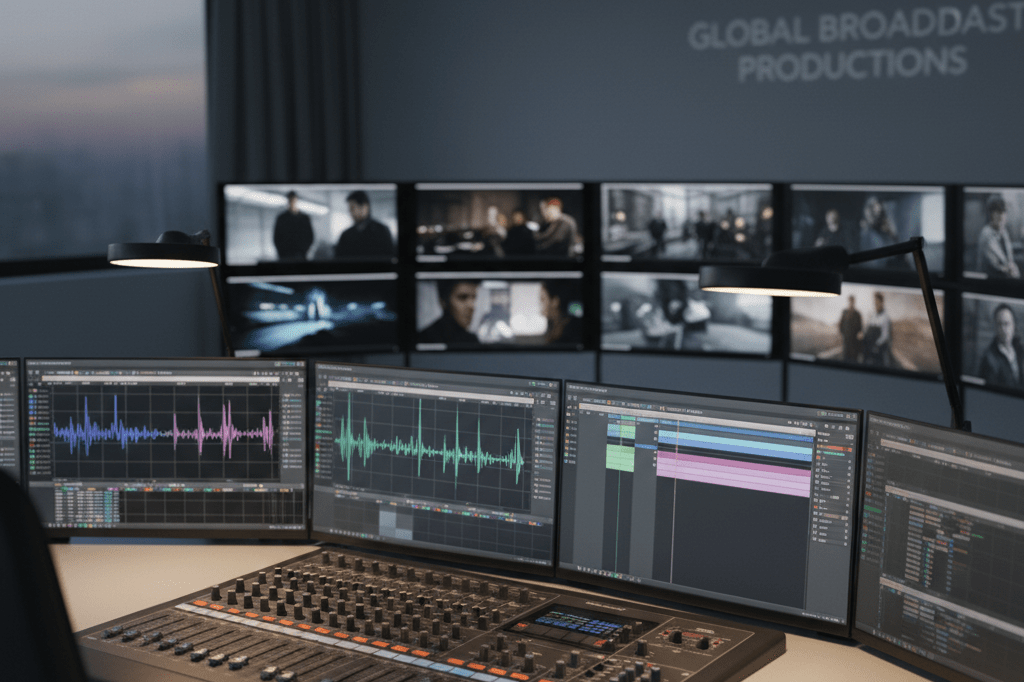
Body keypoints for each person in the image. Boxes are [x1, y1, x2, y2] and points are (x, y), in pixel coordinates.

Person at [334, 190, 395, 259]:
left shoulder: (382, 231)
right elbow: (339, 260)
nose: (350, 212)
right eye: (349, 209)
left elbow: (389, 259)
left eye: (352, 208)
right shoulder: (346, 235)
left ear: (364, 207)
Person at [418, 280, 480, 345]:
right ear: (443, 301)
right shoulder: (425, 339)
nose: (472, 306)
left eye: (474, 297)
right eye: (462, 297)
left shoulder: (470, 339)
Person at [978, 304, 1024, 388]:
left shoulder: (1020, 349)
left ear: (1014, 325)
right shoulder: (989, 358)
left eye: (1007, 324)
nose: (1003, 329)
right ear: (995, 327)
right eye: (999, 324)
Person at [976, 194, 1020, 278]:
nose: (1002, 216)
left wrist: (1013, 267)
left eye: (1004, 212)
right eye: (998, 213)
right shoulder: (986, 234)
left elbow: (1009, 259)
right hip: (990, 281)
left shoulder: (1003, 231)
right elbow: (995, 267)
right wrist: (1010, 270)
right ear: (991, 214)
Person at [273, 190, 314, 260]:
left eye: (293, 200)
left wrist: (303, 251)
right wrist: (282, 253)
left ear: (296, 201)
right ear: (288, 201)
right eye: (290, 200)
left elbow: (310, 237)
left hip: (300, 255)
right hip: (285, 256)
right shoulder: (282, 218)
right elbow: (277, 237)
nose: (292, 203)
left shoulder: (304, 218)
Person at [539, 280, 583, 345]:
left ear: (555, 301)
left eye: (543, 300)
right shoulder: (553, 327)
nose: (540, 305)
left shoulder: (568, 333)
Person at [862, 292, 893, 367]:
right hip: (868, 349)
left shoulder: (885, 318)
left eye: (878, 302)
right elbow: (867, 329)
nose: (876, 304)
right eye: (875, 302)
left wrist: (876, 345)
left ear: (882, 303)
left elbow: (885, 336)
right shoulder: (872, 315)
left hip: (878, 350)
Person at [838, 295, 863, 362]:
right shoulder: (844, 312)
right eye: (850, 301)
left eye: (852, 301)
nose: (851, 303)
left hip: (855, 343)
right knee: (846, 359)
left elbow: (860, 328)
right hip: (846, 341)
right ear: (848, 301)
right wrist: (843, 334)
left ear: (854, 302)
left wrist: (859, 335)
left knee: (854, 360)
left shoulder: (857, 314)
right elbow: (840, 325)